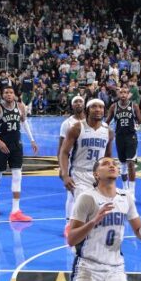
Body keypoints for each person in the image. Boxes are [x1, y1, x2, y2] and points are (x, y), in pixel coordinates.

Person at [0, 86, 39, 222]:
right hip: (1, 146)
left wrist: (32, 140)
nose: (9, 94)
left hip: (16, 145)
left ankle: (15, 211)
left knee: (17, 175)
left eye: (11, 92)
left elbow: (24, 122)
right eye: (6, 92)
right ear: (2, 95)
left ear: (14, 94)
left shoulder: (21, 107)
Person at [59, 99, 114, 221]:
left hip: (98, 175)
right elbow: (64, 152)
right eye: (94, 107)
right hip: (79, 173)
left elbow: (108, 155)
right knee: (84, 204)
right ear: (87, 110)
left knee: (98, 209)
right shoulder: (77, 128)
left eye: (101, 107)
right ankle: (71, 229)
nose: (98, 109)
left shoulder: (108, 131)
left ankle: (83, 233)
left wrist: (110, 174)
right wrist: (64, 174)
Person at [105, 86, 141, 198]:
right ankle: (125, 188)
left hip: (131, 137)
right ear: (118, 94)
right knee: (122, 165)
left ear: (128, 94)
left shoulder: (134, 106)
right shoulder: (114, 107)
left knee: (130, 163)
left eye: (125, 92)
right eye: (121, 92)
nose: (123, 94)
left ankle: (131, 192)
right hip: (119, 137)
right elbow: (106, 122)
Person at [58, 96, 86, 238]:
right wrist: (62, 168)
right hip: (72, 163)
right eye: (75, 101)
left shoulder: (90, 122)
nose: (78, 103)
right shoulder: (67, 123)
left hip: (88, 164)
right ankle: (68, 224)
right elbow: (61, 147)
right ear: (71, 105)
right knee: (71, 194)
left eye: (80, 101)